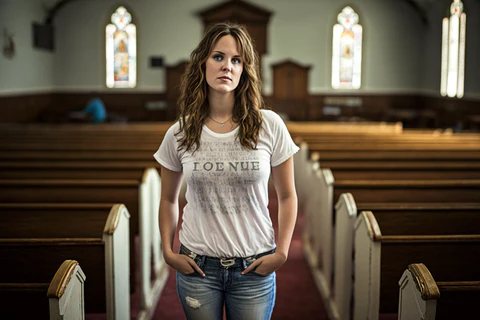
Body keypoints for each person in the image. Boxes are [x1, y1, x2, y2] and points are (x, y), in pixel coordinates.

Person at [153, 22, 299, 320]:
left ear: (245, 69)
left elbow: (287, 197)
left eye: (237, 60)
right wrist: (168, 253)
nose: (227, 67)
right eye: (218, 57)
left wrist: (281, 253)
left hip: (254, 264)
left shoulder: (269, 125)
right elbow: (168, 199)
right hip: (197, 266)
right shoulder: (180, 132)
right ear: (203, 63)